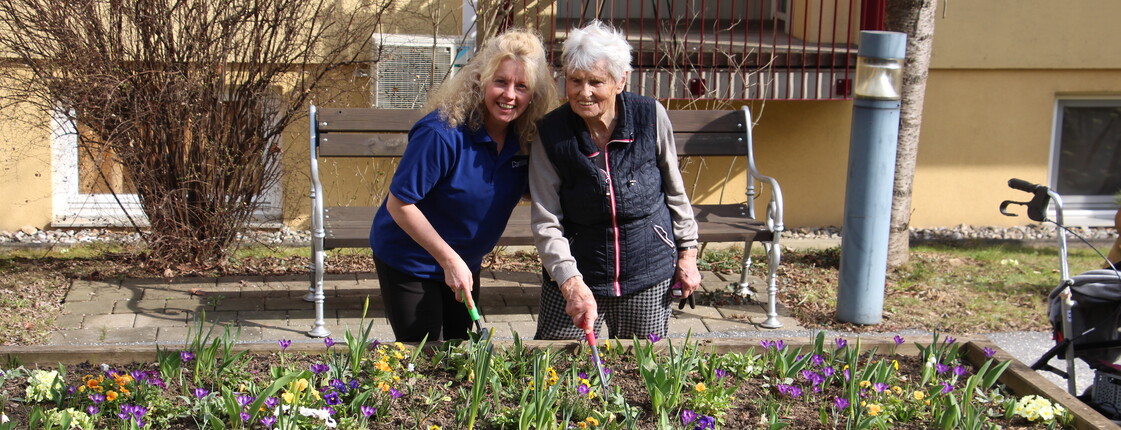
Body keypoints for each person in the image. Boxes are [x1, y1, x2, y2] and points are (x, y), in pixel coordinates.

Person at [369, 29, 557, 342]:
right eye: (501, 81)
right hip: (410, 259)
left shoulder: (524, 138)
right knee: (425, 355)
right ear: (480, 79)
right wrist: (449, 259)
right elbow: (399, 204)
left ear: (533, 94)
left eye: (521, 86)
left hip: (463, 261)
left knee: (459, 350)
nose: (510, 95)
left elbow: (523, 186)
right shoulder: (442, 133)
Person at [529, 21, 702, 341]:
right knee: (558, 371)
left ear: (621, 80)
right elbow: (546, 219)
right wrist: (569, 281)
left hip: (647, 271)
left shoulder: (650, 116)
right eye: (575, 80)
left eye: (596, 81)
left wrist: (688, 254)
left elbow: (675, 191)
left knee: (643, 369)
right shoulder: (551, 133)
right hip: (578, 273)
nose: (584, 92)